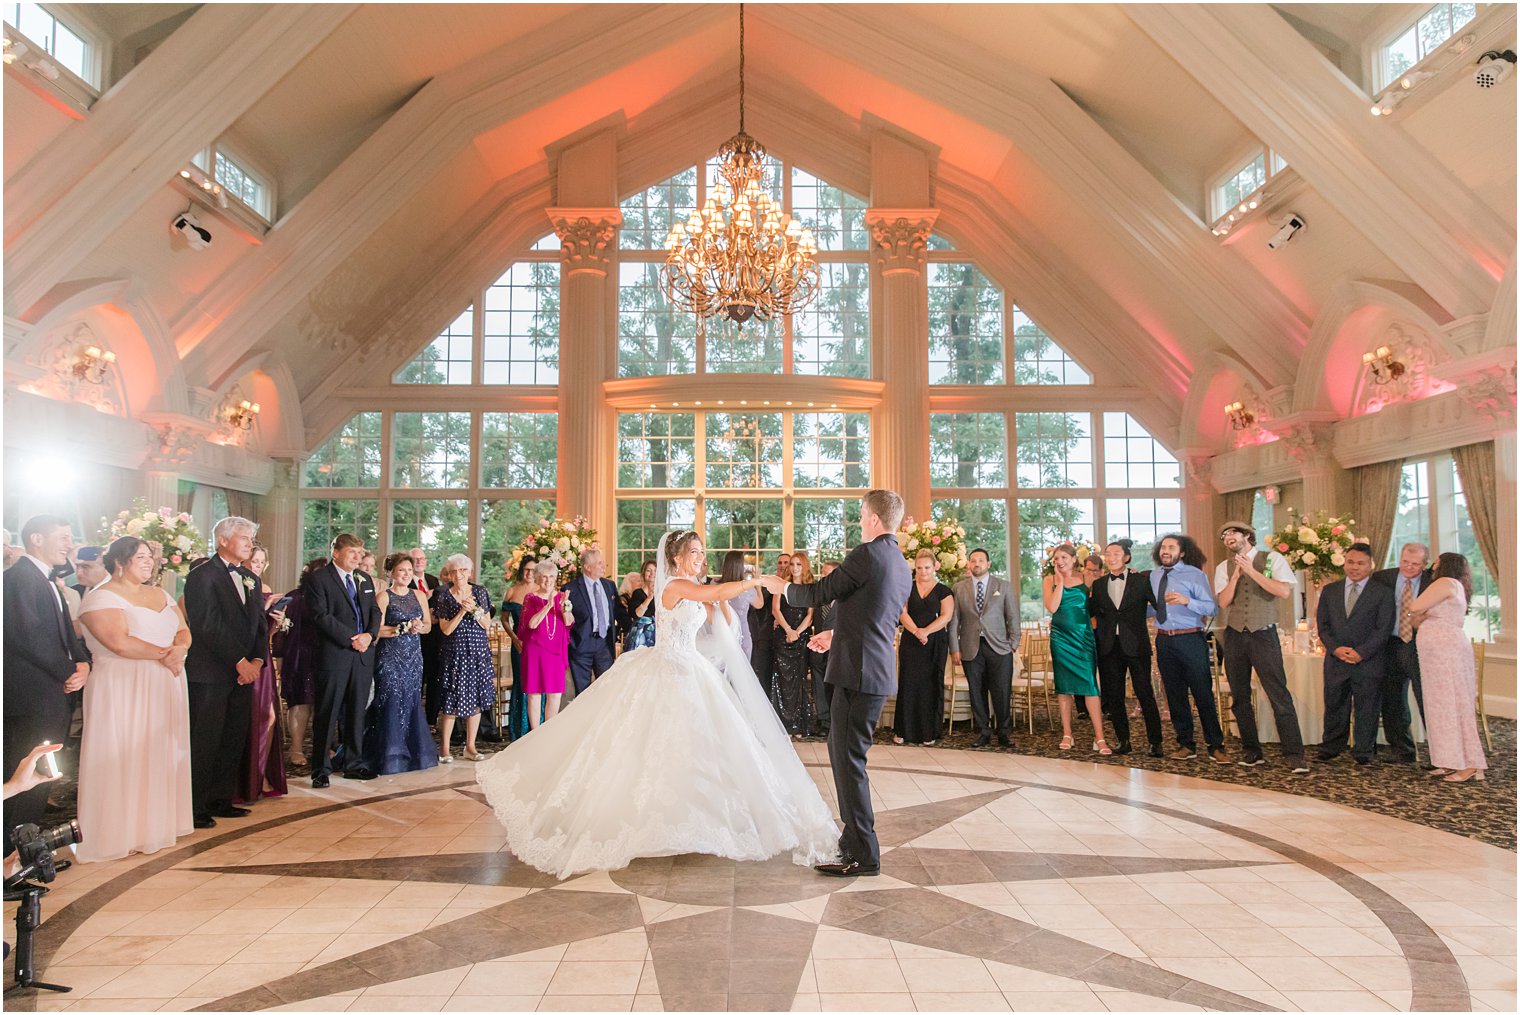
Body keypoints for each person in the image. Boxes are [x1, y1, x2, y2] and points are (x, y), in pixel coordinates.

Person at [475, 530, 837, 879]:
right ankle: (650, 824)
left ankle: (694, 819)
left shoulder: (691, 589)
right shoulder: (676, 585)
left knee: (701, 749)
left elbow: (717, 613)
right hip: (669, 671)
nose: (699, 558)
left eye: (701, 552)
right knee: (652, 747)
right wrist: (754, 583)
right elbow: (714, 592)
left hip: (692, 667)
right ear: (677, 558)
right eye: (693, 553)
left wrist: (720, 600)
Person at [782, 489, 911, 878]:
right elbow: (873, 616)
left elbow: (824, 591)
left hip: (859, 673)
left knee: (847, 761)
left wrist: (782, 587)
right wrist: (835, 636)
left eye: (861, 515)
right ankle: (853, 843)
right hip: (870, 667)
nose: (859, 521)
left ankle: (863, 853)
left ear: (873, 519)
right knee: (845, 757)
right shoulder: (899, 562)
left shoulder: (867, 554)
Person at [75, 537, 194, 861]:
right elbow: (119, 642)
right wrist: (164, 655)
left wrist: (179, 649)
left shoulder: (160, 593)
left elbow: (183, 630)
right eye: (140, 557)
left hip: (164, 683)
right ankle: (115, 832)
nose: (148, 563)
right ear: (119, 561)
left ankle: (150, 827)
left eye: (149, 558)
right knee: (120, 753)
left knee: (155, 754)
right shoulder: (100, 598)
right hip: (122, 686)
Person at [2, 515, 89, 852]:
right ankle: (10, 860)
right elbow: (27, 636)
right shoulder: (19, 578)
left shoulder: (48, 580)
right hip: (31, 697)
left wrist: (83, 663)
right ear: (37, 538)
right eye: (63, 536)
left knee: (41, 779)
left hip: (51, 693)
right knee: (22, 779)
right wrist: (68, 670)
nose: (69, 543)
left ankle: (28, 855)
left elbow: (67, 634)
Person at [182, 517, 268, 827]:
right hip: (210, 673)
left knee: (233, 736)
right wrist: (238, 661)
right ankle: (195, 805)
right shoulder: (202, 576)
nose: (249, 544)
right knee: (205, 740)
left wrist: (257, 660)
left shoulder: (251, 579)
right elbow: (207, 625)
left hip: (244, 672)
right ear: (223, 541)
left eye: (250, 539)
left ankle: (221, 798)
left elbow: (260, 624)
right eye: (244, 539)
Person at [1214, 522, 1307, 773]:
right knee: (1240, 696)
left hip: (1264, 634)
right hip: (1234, 635)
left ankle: (1294, 754)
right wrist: (1235, 576)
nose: (1228, 537)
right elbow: (1223, 602)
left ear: (1246, 536)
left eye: (1232, 532)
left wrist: (1251, 571)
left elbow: (1283, 591)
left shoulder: (1272, 558)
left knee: (1278, 693)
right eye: (1224, 535)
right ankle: (1252, 750)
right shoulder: (1224, 566)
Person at [306, 533, 381, 788]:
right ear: (335, 552)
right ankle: (320, 769)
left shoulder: (364, 579)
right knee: (327, 713)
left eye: (360, 553)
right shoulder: (318, 579)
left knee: (356, 712)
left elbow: (374, 611)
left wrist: (369, 636)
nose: (358, 558)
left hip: (362, 656)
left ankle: (353, 764)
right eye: (352, 553)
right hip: (335, 655)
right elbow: (320, 616)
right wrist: (352, 638)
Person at [1316, 543, 1396, 767]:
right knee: (1334, 704)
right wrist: (1335, 648)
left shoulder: (1383, 593)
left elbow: (1384, 629)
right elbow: (1322, 626)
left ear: (1370, 565)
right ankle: (1331, 746)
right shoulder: (1330, 590)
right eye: (1350, 562)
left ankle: (1363, 749)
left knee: (1367, 706)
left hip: (1368, 661)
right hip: (1336, 659)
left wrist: (1361, 653)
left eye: (1360, 563)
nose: (1354, 567)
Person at [1410, 552, 1487, 783]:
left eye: (1438, 561)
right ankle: (1448, 760)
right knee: (1440, 708)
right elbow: (1417, 616)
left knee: (1451, 704)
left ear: (1445, 565)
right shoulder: (1453, 585)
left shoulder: (1445, 582)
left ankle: (1469, 764)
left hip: (1444, 652)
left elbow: (1415, 606)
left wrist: (1421, 613)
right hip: (1439, 651)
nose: (1433, 564)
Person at [1149, 534, 1226, 763]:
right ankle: (1185, 744)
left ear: (1181, 553)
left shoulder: (1195, 574)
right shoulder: (1154, 576)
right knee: (1174, 695)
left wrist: (1187, 601)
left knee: (1202, 693)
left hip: (1190, 639)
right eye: (1163, 547)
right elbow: (1153, 608)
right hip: (1164, 640)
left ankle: (1215, 745)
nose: (1166, 550)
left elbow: (1212, 609)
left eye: (1171, 547)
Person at [361, 553, 438, 775]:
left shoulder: (419, 596)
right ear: (391, 573)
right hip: (390, 658)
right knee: (390, 700)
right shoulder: (383, 597)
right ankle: (387, 754)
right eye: (402, 570)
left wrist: (416, 627)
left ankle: (410, 752)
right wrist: (401, 629)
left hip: (414, 657)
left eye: (409, 570)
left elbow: (427, 626)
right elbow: (376, 631)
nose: (406, 574)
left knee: (411, 699)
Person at [1088, 540, 1165, 757]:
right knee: (1114, 697)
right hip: (1109, 647)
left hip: (1136, 645)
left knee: (1145, 693)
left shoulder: (1141, 580)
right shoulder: (1099, 584)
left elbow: (1160, 605)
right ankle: (1124, 740)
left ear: (1126, 557)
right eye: (1108, 553)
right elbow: (1090, 611)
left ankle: (1155, 742)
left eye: (1116, 553)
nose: (1111, 557)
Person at [947, 549, 1021, 748]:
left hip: (999, 647)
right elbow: (954, 621)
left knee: (1002, 691)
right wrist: (954, 647)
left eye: (980, 560)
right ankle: (983, 731)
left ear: (988, 563)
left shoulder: (1003, 586)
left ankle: (1004, 732)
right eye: (973, 560)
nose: (977, 563)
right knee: (976, 691)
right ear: (968, 564)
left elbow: (1013, 616)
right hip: (971, 647)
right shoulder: (959, 588)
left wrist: (1013, 643)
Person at [233, 542, 288, 804]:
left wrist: (276, 623)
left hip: (263, 656)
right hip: (244, 657)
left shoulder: (264, 589)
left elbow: (265, 633)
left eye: (260, 563)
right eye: (253, 561)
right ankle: (245, 780)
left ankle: (261, 774)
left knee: (269, 717)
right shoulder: (238, 587)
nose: (256, 566)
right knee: (252, 717)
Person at [1044, 544, 1110, 754]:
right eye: (1056, 558)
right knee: (1064, 688)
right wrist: (1061, 582)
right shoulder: (1049, 580)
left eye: (1064, 557)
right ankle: (1067, 733)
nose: (1060, 561)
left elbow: (1101, 604)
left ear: (1074, 559)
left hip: (1083, 638)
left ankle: (1099, 737)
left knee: (1090, 685)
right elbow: (1053, 607)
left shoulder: (1086, 579)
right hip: (1060, 637)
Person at [1372, 543, 1434, 763]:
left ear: (1424, 564)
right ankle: (1402, 750)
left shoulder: (1433, 582)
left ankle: (1440, 754)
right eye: (1405, 562)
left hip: (1420, 645)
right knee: (1392, 698)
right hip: (1390, 644)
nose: (1408, 567)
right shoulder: (1382, 578)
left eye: (1415, 564)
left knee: (1427, 698)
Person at [434, 554, 496, 760]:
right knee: (451, 701)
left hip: (477, 653)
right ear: (449, 574)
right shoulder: (444, 595)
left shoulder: (480, 592)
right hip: (455, 654)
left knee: (476, 700)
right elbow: (446, 630)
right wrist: (461, 611)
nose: (458, 574)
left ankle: (470, 747)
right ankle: (444, 748)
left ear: (469, 572)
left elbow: (487, 624)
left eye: (462, 570)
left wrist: (476, 610)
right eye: (454, 571)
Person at [894, 549, 953, 746]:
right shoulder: (906, 588)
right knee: (908, 683)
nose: (923, 571)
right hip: (911, 641)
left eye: (927, 567)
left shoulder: (944, 591)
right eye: (919, 568)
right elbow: (902, 613)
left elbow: (947, 616)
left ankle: (929, 731)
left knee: (930, 685)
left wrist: (926, 631)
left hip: (935, 642)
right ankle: (903, 729)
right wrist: (917, 632)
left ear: (934, 567)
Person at [275, 557, 327, 766]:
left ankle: (323, 747)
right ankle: (296, 748)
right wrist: (279, 659)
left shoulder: (330, 596)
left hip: (325, 656)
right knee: (301, 702)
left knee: (323, 704)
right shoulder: (294, 598)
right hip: (299, 657)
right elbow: (279, 631)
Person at [519, 560, 572, 731]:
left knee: (554, 693)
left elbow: (570, 622)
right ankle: (535, 733)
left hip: (556, 651)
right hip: (534, 650)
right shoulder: (530, 598)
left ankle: (548, 733)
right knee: (534, 694)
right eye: (543, 577)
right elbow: (532, 624)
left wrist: (565, 608)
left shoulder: (562, 597)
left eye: (551, 577)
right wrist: (548, 606)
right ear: (537, 578)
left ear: (556, 578)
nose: (547, 581)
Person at [565, 548, 622, 694]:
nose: (604, 566)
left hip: (604, 645)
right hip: (580, 646)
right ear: (587, 567)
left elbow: (619, 612)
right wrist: (572, 643)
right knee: (583, 694)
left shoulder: (609, 585)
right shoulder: (570, 589)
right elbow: (564, 620)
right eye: (600, 563)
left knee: (606, 690)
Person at [771, 552, 816, 737]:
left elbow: (810, 615)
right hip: (782, 637)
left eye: (798, 564)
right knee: (781, 680)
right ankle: (783, 725)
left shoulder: (809, 588)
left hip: (801, 638)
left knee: (799, 680)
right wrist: (788, 630)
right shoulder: (780, 585)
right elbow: (775, 609)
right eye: (792, 564)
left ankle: (798, 724)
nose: (795, 567)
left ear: (804, 566)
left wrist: (797, 633)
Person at [501, 556, 538, 741]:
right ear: (521, 570)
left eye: (533, 570)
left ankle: (536, 727)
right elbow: (504, 619)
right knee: (521, 683)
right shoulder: (512, 591)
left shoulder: (541, 590)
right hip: (519, 645)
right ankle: (518, 728)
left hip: (538, 646)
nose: (529, 573)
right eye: (526, 569)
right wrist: (514, 639)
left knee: (537, 685)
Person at [407, 547, 445, 726]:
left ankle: (430, 720)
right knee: (416, 681)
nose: (419, 562)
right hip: (412, 638)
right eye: (415, 559)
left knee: (434, 680)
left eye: (422, 559)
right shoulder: (404, 581)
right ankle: (413, 720)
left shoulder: (432, 580)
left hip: (434, 639)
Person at [809, 560, 840, 737]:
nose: (824, 577)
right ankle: (824, 720)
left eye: (828, 574)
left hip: (836, 649)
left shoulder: (846, 598)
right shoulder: (820, 596)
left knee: (835, 687)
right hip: (817, 646)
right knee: (819, 684)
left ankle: (835, 723)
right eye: (823, 574)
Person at [623, 558, 657, 652]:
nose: (652, 573)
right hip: (640, 633)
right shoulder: (637, 593)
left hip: (655, 634)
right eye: (648, 570)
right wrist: (649, 598)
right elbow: (637, 614)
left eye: (655, 570)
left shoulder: (661, 594)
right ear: (643, 573)